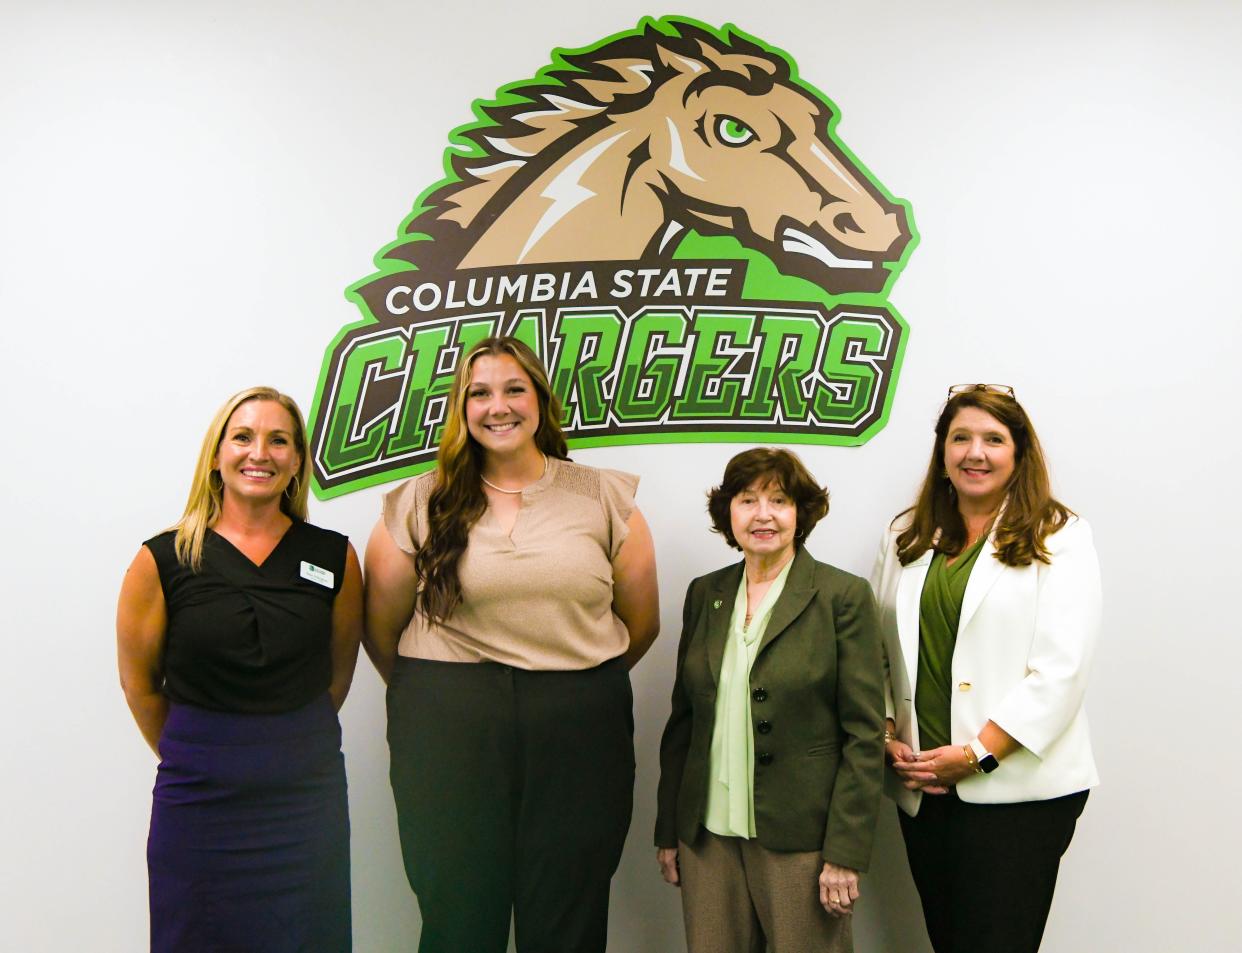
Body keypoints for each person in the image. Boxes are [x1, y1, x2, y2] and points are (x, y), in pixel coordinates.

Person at [364, 336, 659, 953]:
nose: (498, 406)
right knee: (458, 911)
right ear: (461, 409)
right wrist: (451, 696)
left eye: (514, 389)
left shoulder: (601, 495)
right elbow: (380, 629)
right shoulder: (419, 501)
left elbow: (641, 623)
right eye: (480, 393)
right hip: (448, 729)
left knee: (569, 910)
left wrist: (564, 677)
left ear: (541, 402)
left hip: (579, 729)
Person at [116, 386, 363, 953]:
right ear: (217, 454)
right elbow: (140, 686)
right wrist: (203, 750)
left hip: (306, 799)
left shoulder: (334, 557)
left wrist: (283, 742)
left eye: (279, 440)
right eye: (244, 437)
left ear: (298, 460)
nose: (261, 453)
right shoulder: (163, 560)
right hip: (200, 801)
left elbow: (337, 672)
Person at [871, 384, 1102, 953]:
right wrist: (885, 734)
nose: (975, 452)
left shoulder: (1059, 534)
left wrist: (977, 755)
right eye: (961, 438)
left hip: (1018, 795)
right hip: (923, 786)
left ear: (1019, 454)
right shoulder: (906, 534)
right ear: (942, 452)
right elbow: (874, 649)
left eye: (993, 439)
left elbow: (1061, 671)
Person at [655, 447, 885, 953]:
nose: (763, 515)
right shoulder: (705, 594)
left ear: (800, 513)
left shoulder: (840, 596)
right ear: (727, 513)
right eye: (747, 500)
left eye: (779, 500)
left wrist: (844, 851)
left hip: (802, 839)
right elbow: (684, 723)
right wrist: (669, 829)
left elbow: (865, 735)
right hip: (707, 836)